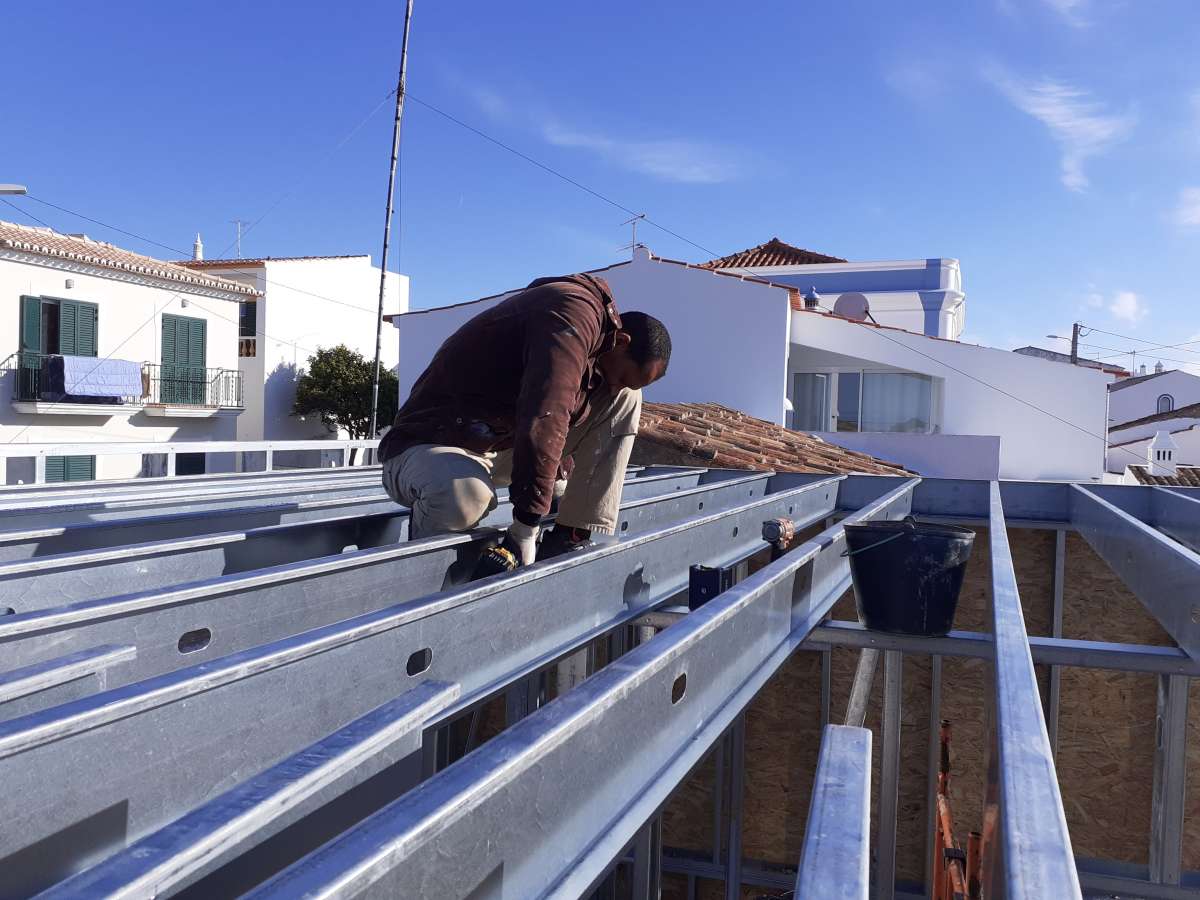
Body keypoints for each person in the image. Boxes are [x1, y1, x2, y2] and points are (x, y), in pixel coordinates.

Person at [378, 272, 671, 569]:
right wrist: (526, 527)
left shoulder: (599, 354)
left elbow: (565, 414)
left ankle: (571, 532)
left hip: (494, 443)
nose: (615, 385)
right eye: (622, 377)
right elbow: (547, 409)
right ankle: (427, 588)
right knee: (464, 497)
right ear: (621, 341)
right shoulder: (572, 312)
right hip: (428, 445)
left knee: (627, 398)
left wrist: (555, 477)